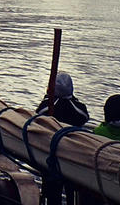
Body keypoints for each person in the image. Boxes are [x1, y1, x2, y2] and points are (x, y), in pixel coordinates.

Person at [36, 72, 89, 205]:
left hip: (52, 154)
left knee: (53, 193)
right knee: (70, 190)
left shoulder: (49, 105)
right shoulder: (78, 107)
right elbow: (85, 117)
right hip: (72, 156)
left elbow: (37, 115)